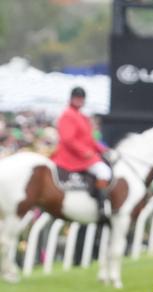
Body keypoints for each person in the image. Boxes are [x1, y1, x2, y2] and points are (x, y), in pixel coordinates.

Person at [51, 86, 112, 225]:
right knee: (104, 171)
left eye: (81, 98)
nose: (79, 101)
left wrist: (103, 149)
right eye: (77, 98)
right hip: (72, 156)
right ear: (71, 99)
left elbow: (90, 139)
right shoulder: (67, 114)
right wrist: (85, 151)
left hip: (84, 154)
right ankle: (101, 207)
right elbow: (68, 139)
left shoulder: (82, 116)